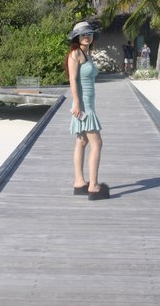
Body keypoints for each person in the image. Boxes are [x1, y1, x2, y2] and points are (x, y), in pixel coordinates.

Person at [64, 21, 110, 200]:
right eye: (83, 34)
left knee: (82, 141)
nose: (87, 37)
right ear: (76, 37)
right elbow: (73, 79)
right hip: (84, 105)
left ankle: (79, 182)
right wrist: (76, 103)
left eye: (89, 34)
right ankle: (93, 186)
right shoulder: (75, 53)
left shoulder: (86, 53)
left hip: (87, 103)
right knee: (97, 143)